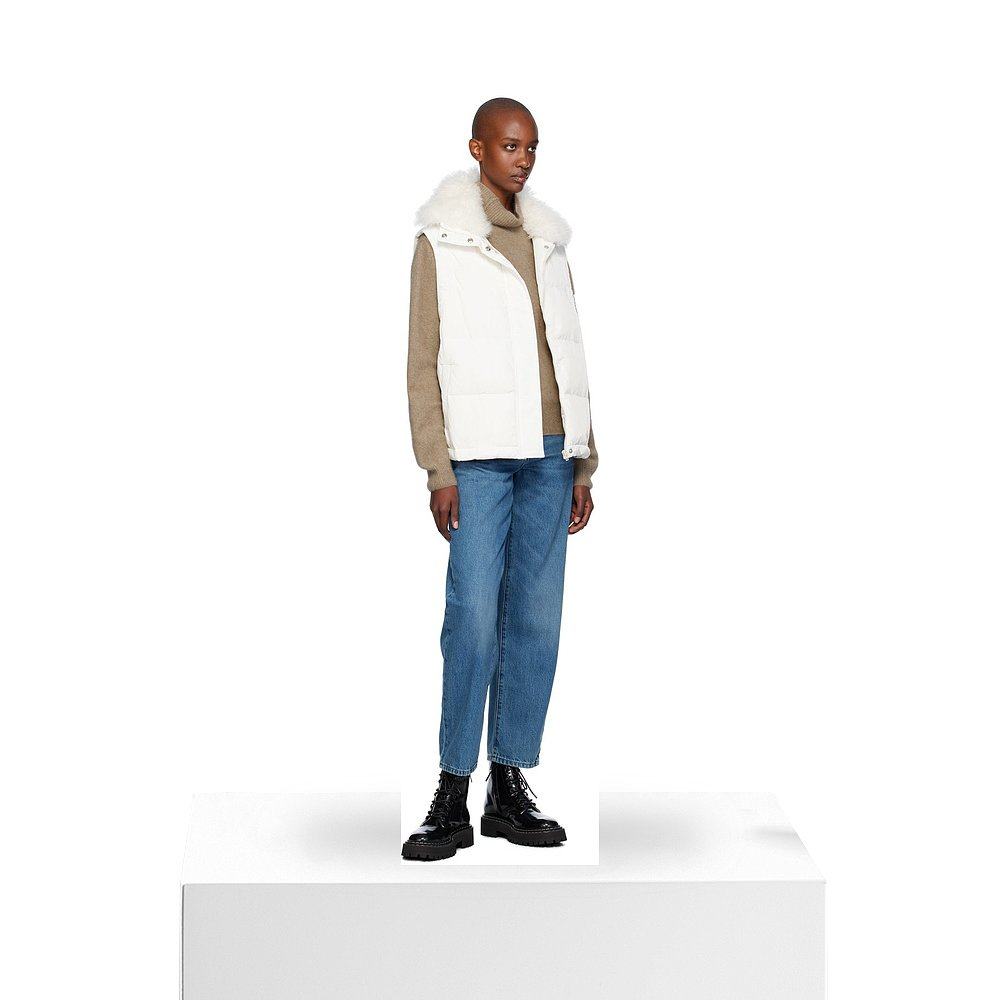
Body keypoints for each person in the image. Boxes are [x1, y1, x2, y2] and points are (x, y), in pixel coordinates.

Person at [402, 97, 598, 861]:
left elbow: (570, 352)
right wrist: (437, 467)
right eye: (510, 145)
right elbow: (422, 362)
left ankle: (508, 786)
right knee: (473, 617)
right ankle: (451, 788)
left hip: (551, 455)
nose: (524, 158)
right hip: (479, 458)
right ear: (478, 148)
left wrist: (583, 457)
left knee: (536, 622)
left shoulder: (549, 243)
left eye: (532, 147)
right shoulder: (443, 241)